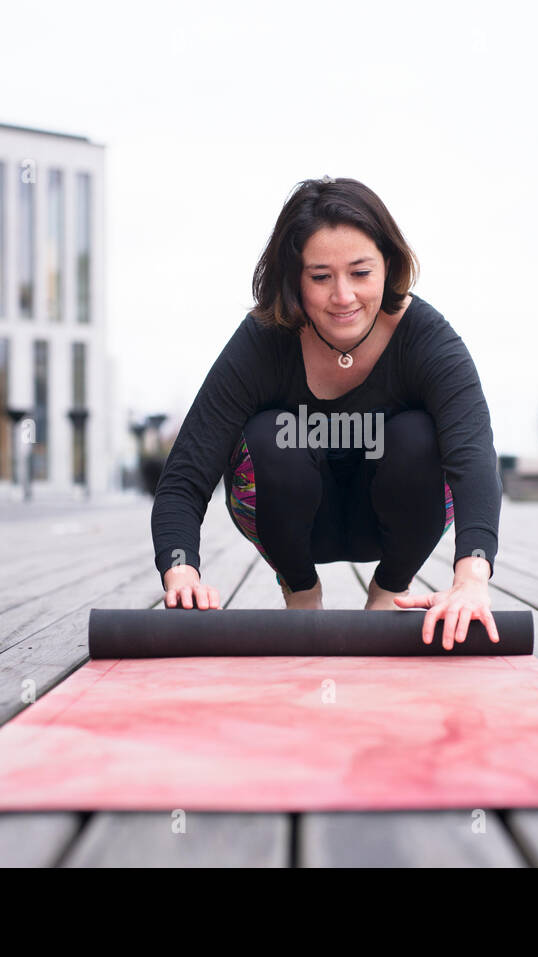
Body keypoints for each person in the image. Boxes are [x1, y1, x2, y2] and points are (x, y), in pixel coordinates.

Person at [150, 176, 502, 650]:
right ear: (294, 279)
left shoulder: (427, 339)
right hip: (293, 524)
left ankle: (389, 589)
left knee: (421, 435)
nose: (343, 297)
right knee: (271, 436)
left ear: (389, 267)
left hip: (391, 524)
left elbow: (474, 457)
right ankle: (301, 590)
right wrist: (181, 571)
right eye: (321, 277)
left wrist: (472, 578)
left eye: (361, 273)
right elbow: (186, 475)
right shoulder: (263, 340)